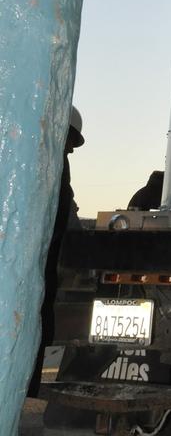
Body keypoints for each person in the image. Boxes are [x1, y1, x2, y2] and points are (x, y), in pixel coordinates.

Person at [28, 104, 84, 397]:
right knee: (43, 323)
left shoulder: (40, 156)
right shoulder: (53, 162)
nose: (73, 150)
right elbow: (65, 214)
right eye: (73, 141)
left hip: (42, 259)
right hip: (45, 260)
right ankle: (32, 386)